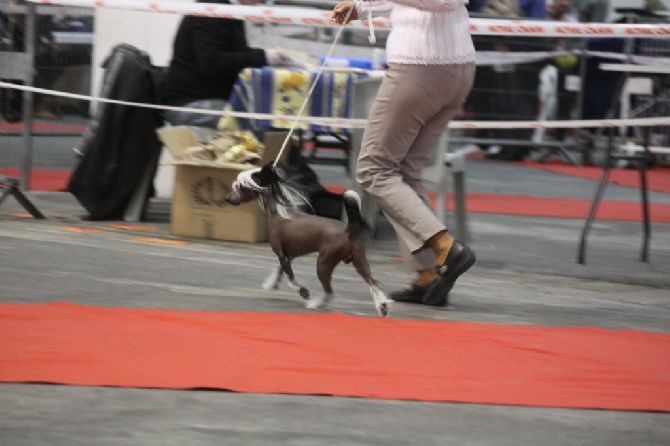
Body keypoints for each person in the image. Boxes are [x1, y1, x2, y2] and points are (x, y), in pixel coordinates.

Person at [331, 0, 477, 307]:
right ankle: (429, 275)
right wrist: (363, 7)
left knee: (374, 168)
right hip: (453, 69)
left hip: (422, 67)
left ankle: (445, 248)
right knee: (406, 173)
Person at [160, 0, 292, 129]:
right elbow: (212, 62)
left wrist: (267, 57)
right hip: (191, 103)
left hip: (203, 99)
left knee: (270, 119)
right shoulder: (213, 10)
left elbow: (232, 53)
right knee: (264, 125)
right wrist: (264, 57)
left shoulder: (227, 11)